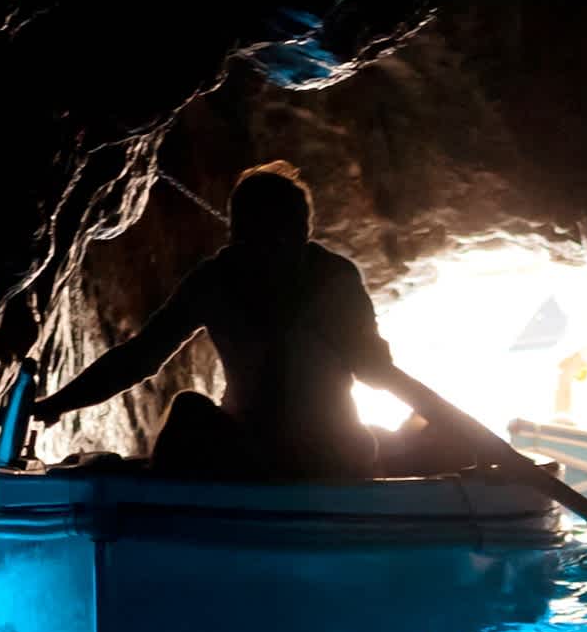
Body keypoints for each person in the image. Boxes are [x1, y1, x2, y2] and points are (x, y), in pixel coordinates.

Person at [28, 162, 400, 479]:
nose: (277, 248)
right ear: (238, 232)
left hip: (327, 456)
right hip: (251, 452)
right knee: (188, 410)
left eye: (289, 233)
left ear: (305, 232)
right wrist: (57, 403)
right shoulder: (217, 280)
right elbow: (139, 358)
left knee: (375, 439)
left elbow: (374, 368)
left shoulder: (333, 279)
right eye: (265, 233)